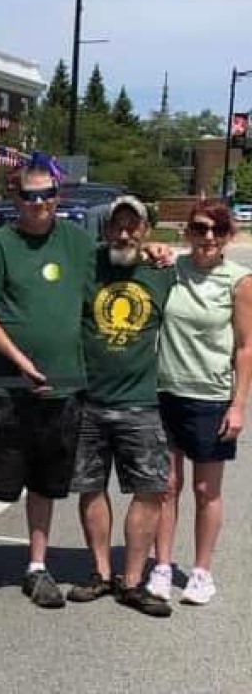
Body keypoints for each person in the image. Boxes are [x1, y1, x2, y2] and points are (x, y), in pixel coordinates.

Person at [0, 154, 94, 609]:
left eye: (46, 195)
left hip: (61, 389)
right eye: (29, 195)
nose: (38, 203)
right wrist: (17, 359)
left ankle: (37, 566)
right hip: (5, 388)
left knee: (44, 482)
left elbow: (114, 276)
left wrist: (152, 254)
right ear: (16, 197)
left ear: (59, 196)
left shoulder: (77, 242)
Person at [67, 196, 174, 617]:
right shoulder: (88, 267)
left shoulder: (161, 271)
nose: (125, 233)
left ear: (146, 231)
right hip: (89, 400)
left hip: (141, 403)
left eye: (133, 226)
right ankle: (99, 572)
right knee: (90, 487)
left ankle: (132, 581)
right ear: (106, 229)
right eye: (118, 226)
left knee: (149, 490)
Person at [149, 201, 252, 606]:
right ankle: (161, 566)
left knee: (206, 489)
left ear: (229, 236)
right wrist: (152, 247)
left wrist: (238, 404)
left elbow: (246, 348)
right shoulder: (172, 268)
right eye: (200, 229)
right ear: (188, 231)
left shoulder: (239, 281)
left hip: (210, 396)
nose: (208, 237)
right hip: (166, 390)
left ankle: (202, 571)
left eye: (217, 230)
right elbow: (136, 246)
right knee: (165, 487)